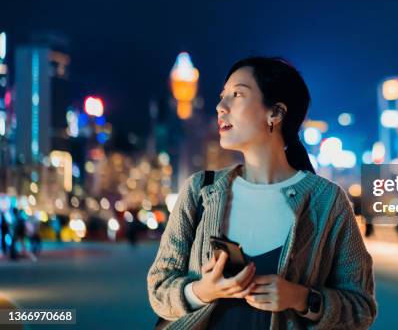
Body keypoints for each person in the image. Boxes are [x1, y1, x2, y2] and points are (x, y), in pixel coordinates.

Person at [148, 57, 377, 329]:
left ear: (276, 113)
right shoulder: (200, 190)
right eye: (223, 97)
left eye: (237, 95)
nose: (221, 107)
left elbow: (361, 310)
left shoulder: (327, 201)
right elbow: (159, 290)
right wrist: (201, 291)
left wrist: (301, 298)